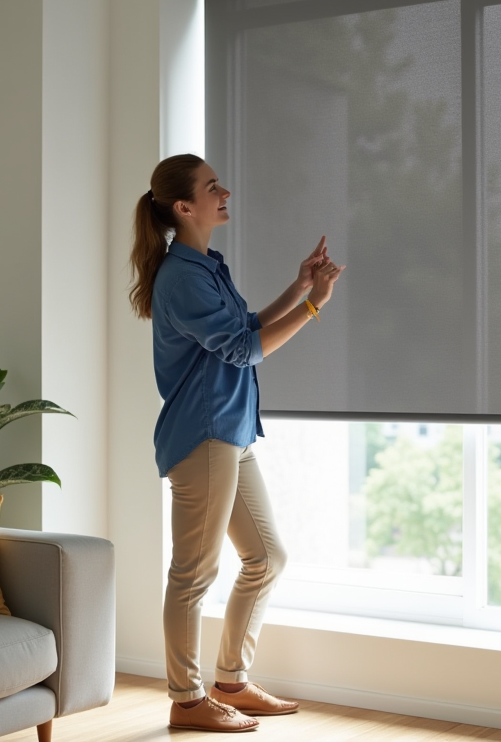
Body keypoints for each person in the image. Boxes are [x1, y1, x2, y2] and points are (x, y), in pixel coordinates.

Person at [129, 153, 345, 733]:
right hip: (203, 435)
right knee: (193, 575)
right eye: (211, 186)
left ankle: (231, 681)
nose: (225, 192)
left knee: (266, 557)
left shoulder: (206, 265)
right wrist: (313, 307)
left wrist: (299, 287)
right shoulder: (181, 275)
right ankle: (186, 698)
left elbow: (245, 328)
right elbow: (245, 351)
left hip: (231, 429)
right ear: (184, 207)